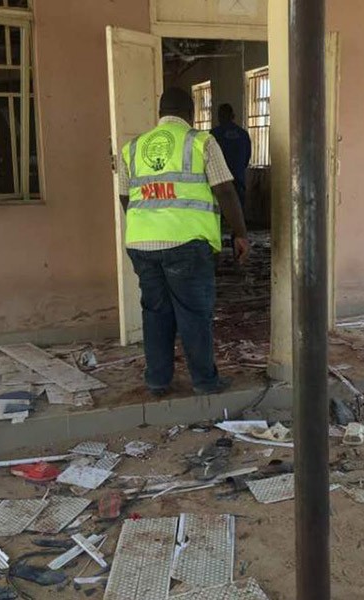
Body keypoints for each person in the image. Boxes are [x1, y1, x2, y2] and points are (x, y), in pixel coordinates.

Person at [119, 88, 250, 397]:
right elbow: (225, 191)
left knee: (155, 313)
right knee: (193, 314)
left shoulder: (132, 148)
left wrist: (149, 224)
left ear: (160, 112)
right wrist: (240, 232)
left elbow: (126, 197)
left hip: (142, 244)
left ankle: (158, 380)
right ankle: (205, 381)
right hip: (186, 245)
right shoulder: (201, 141)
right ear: (190, 114)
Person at [210, 103, 252, 206]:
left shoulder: (214, 134)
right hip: (239, 182)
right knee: (238, 214)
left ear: (219, 116)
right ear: (233, 116)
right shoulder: (243, 134)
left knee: (220, 216)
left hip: (219, 183)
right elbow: (247, 158)